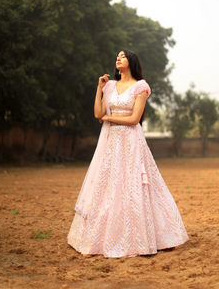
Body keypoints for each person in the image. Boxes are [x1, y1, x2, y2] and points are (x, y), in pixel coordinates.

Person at [68, 49, 189, 258]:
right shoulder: (110, 86)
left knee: (135, 184)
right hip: (112, 142)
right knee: (110, 185)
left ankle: (153, 237)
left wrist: (109, 119)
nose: (118, 58)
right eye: (116, 56)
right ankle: (106, 237)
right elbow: (98, 113)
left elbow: (134, 119)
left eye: (122, 56)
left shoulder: (141, 86)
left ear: (131, 61)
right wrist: (99, 89)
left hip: (132, 141)